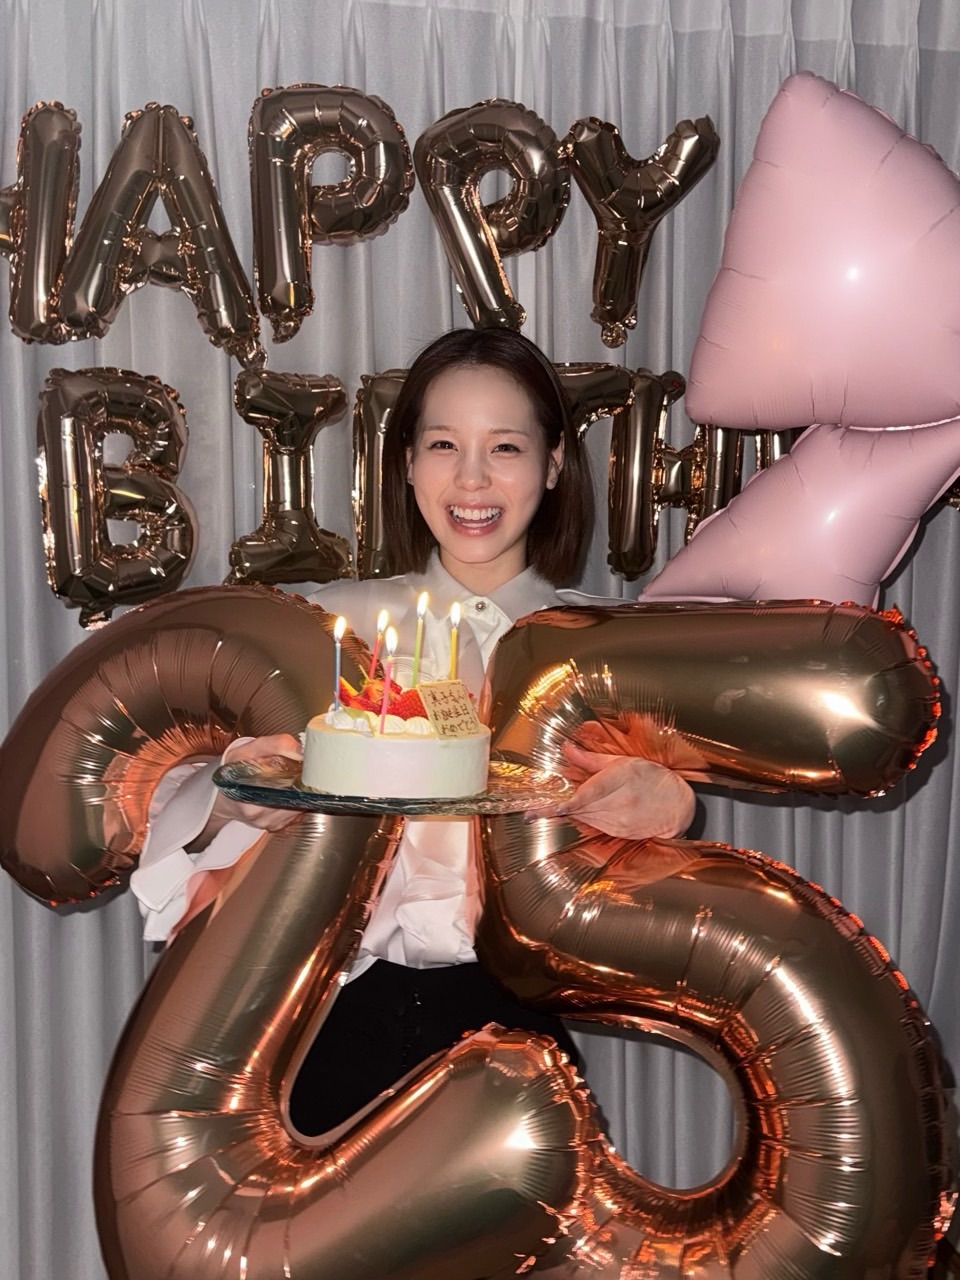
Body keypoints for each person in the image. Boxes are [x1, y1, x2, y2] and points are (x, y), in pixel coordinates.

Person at [131, 327, 696, 1134]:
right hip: (330, 1026)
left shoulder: (610, 648)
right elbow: (174, 796)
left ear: (554, 463)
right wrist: (233, 796)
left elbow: (653, 896)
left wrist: (673, 807)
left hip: (515, 1032)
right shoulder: (328, 624)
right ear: (405, 462)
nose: (472, 477)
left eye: (505, 446)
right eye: (443, 444)